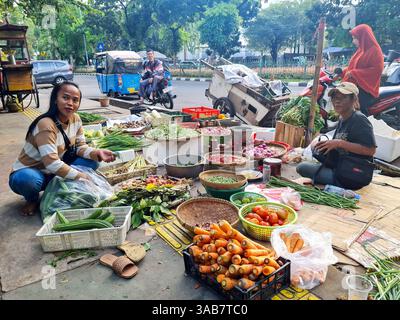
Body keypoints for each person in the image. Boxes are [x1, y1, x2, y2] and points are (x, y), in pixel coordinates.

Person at [9, 81, 116, 216]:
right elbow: (51, 163)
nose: (70, 103)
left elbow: (80, 147)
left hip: (53, 172)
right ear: (55, 99)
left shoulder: (76, 119)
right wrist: (80, 176)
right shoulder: (46, 124)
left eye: (75, 100)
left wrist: (97, 153)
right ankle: (32, 199)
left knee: (92, 162)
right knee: (27, 180)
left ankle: (57, 189)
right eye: (65, 97)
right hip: (34, 172)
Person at [297, 82, 376, 188]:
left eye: (343, 98)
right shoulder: (343, 118)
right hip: (340, 166)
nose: (337, 101)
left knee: (302, 168)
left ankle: (339, 183)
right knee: (312, 154)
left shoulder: (359, 119)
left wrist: (339, 143)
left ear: (353, 99)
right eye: (335, 97)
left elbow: (370, 150)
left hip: (353, 174)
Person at [341, 24, 384, 116]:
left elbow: (377, 70)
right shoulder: (361, 50)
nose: (353, 41)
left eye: (355, 38)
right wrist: (342, 72)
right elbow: (352, 67)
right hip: (356, 87)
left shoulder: (375, 50)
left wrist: (354, 73)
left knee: (356, 113)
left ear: (363, 37)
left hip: (367, 90)